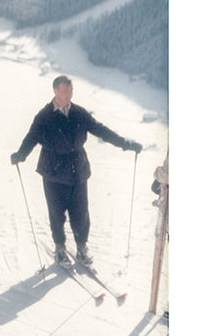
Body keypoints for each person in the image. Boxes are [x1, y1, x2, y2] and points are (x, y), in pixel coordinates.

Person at [10, 75, 142, 266]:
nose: (69, 94)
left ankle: (81, 248)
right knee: (56, 214)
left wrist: (126, 144)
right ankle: (60, 249)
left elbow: (101, 130)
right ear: (55, 91)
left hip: (78, 171)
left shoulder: (79, 113)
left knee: (81, 213)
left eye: (71, 90)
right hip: (54, 173)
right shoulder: (44, 117)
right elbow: (31, 138)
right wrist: (20, 155)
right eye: (65, 90)